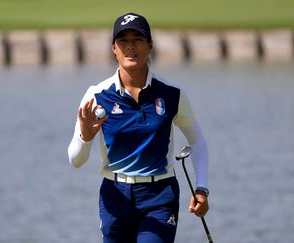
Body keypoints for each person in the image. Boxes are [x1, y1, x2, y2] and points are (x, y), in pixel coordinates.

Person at [68, 12, 210, 243]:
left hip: (160, 196)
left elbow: (197, 141)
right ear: (113, 48)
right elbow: (75, 160)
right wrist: (85, 136)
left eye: (138, 39)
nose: (130, 47)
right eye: (123, 41)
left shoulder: (172, 93)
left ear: (150, 45)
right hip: (115, 195)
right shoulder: (96, 95)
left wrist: (201, 189)